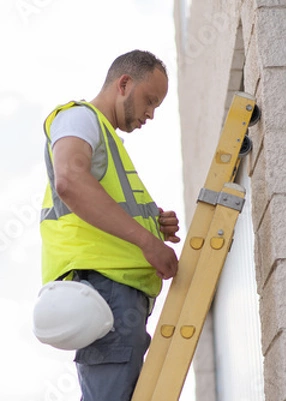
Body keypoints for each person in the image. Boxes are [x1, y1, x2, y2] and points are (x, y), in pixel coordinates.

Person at [39, 49, 181, 401]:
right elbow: (69, 180)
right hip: (106, 291)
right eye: (150, 101)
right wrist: (149, 245)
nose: (150, 113)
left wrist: (153, 226)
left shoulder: (106, 137)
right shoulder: (78, 118)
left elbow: (105, 205)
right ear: (123, 83)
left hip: (115, 293)